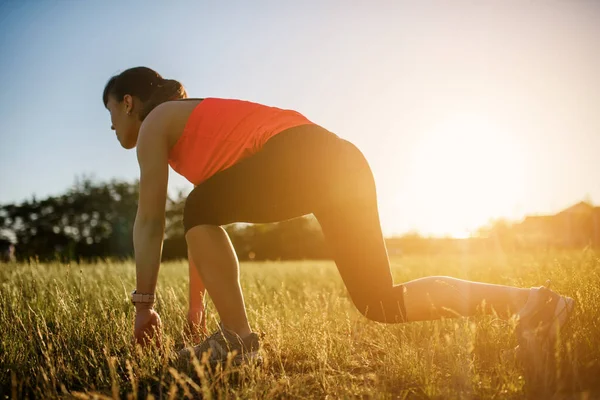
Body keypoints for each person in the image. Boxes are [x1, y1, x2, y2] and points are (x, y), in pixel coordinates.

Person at [103, 67, 574, 367]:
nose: (111, 127)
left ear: (129, 102)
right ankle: (534, 303)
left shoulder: (156, 122)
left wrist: (144, 305)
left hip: (302, 156)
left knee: (201, 205)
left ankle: (239, 341)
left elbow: (151, 222)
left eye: (110, 113)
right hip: (343, 161)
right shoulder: (191, 124)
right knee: (379, 302)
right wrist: (194, 310)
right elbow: (205, 224)